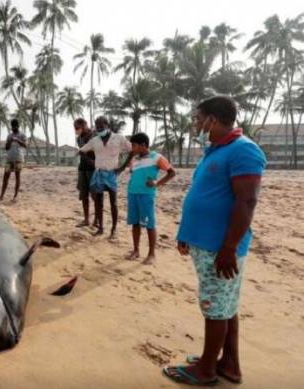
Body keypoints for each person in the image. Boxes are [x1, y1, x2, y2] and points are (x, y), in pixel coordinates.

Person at [163, 96, 266, 386]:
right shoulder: (215, 150)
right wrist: (185, 233)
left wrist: (229, 248)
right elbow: (202, 193)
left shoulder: (244, 151)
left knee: (215, 308)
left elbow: (247, 202)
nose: (196, 123)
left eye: (199, 118)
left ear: (214, 119)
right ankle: (229, 364)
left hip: (220, 248)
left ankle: (206, 370)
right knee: (225, 306)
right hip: (204, 243)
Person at [125, 132, 175, 265]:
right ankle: (136, 250)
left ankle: (151, 254)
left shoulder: (157, 157)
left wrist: (157, 183)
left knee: (149, 224)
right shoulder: (135, 160)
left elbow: (172, 172)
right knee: (135, 223)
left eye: (134, 145)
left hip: (146, 195)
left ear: (143, 145)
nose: (132, 148)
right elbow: (133, 174)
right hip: (132, 193)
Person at [78, 116, 132, 238]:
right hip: (98, 174)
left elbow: (132, 150)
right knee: (99, 202)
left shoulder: (118, 138)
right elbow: (81, 151)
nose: (99, 129)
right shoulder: (95, 140)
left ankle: (113, 230)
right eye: (97, 127)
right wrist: (92, 162)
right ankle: (101, 228)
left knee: (114, 202)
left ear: (107, 125)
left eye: (101, 126)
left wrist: (123, 167)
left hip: (112, 174)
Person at [74, 118, 97, 228]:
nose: (76, 130)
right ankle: (86, 219)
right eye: (75, 128)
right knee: (84, 195)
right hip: (82, 168)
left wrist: (84, 152)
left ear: (84, 126)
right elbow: (83, 151)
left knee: (95, 195)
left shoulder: (95, 136)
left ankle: (97, 220)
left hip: (93, 168)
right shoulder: (79, 139)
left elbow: (94, 151)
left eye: (77, 128)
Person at [0, 119, 27, 202]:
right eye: (12, 127)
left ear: (18, 126)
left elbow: (25, 145)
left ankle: (15, 196)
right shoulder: (9, 136)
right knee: (5, 177)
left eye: (15, 127)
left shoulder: (22, 135)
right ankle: (1, 196)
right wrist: (10, 142)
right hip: (9, 158)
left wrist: (18, 140)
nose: (13, 128)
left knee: (17, 177)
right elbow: (6, 148)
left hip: (19, 158)